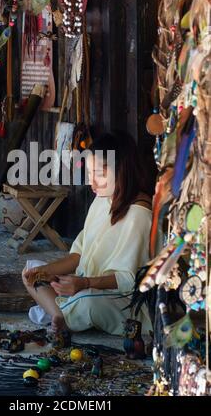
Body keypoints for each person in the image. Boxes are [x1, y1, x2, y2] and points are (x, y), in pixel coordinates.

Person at [22, 131, 153, 335]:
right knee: (30, 271)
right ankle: (60, 314)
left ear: (122, 170)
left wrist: (84, 283)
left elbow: (129, 280)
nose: (92, 183)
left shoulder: (139, 214)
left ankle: (59, 312)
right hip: (84, 283)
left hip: (121, 298)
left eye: (100, 174)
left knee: (88, 301)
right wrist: (47, 272)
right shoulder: (102, 199)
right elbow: (79, 255)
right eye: (90, 174)